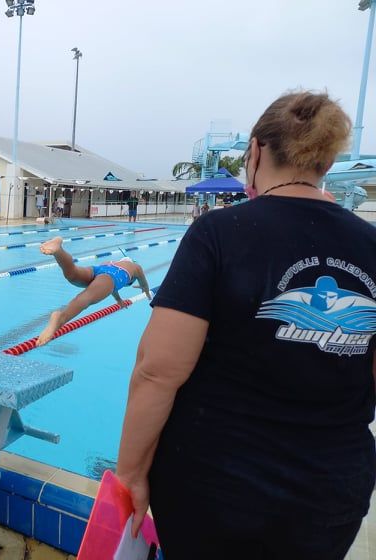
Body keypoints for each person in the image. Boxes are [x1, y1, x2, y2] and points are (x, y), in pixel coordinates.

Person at [115, 91, 374, 560]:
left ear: (254, 152)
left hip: (213, 486)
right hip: (329, 491)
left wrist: (130, 472)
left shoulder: (219, 231)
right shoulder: (372, 243)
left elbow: (158, 370)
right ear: (327, 161)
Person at [36, 237, 151, 346]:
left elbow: (109, 285)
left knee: (72, 274)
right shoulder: (136, 267)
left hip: (98, 270)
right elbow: (144, 283)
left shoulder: (111, 262)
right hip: (111, 277)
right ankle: (60, 318)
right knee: (87, 297)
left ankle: (58, 250)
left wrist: (118, 299)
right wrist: (146, 292)